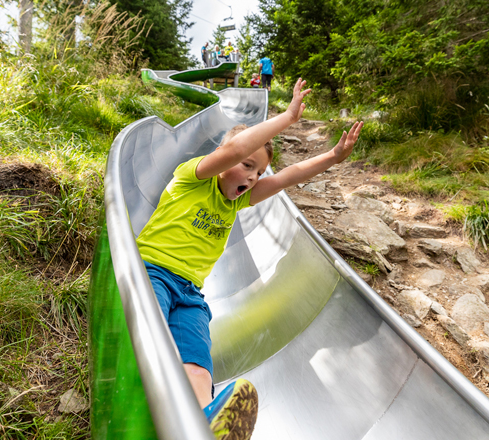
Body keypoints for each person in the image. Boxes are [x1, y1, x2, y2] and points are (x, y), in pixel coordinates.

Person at [136, 78, 363, 440]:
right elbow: (238, 145)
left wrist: (334, 157)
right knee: (152, 338)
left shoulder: (239, 199)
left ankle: (202, 422)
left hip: (191, 293)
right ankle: (152, 405)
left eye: (257, 172)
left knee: (198, 366)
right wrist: (288, 117)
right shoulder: (193, 177)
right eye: (246, 165)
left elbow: (289, 176)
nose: (252, 176)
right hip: (153, 272)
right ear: (224, 157)